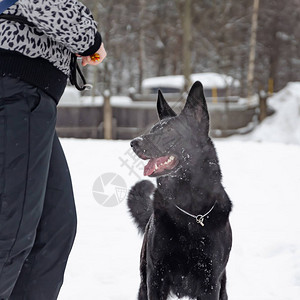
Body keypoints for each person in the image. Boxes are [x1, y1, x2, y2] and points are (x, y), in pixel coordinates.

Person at [0, 0, 106, 299]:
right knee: (11, 231)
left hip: (29, 97)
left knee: (53, 229)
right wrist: (89, 39)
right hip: (15, 90)